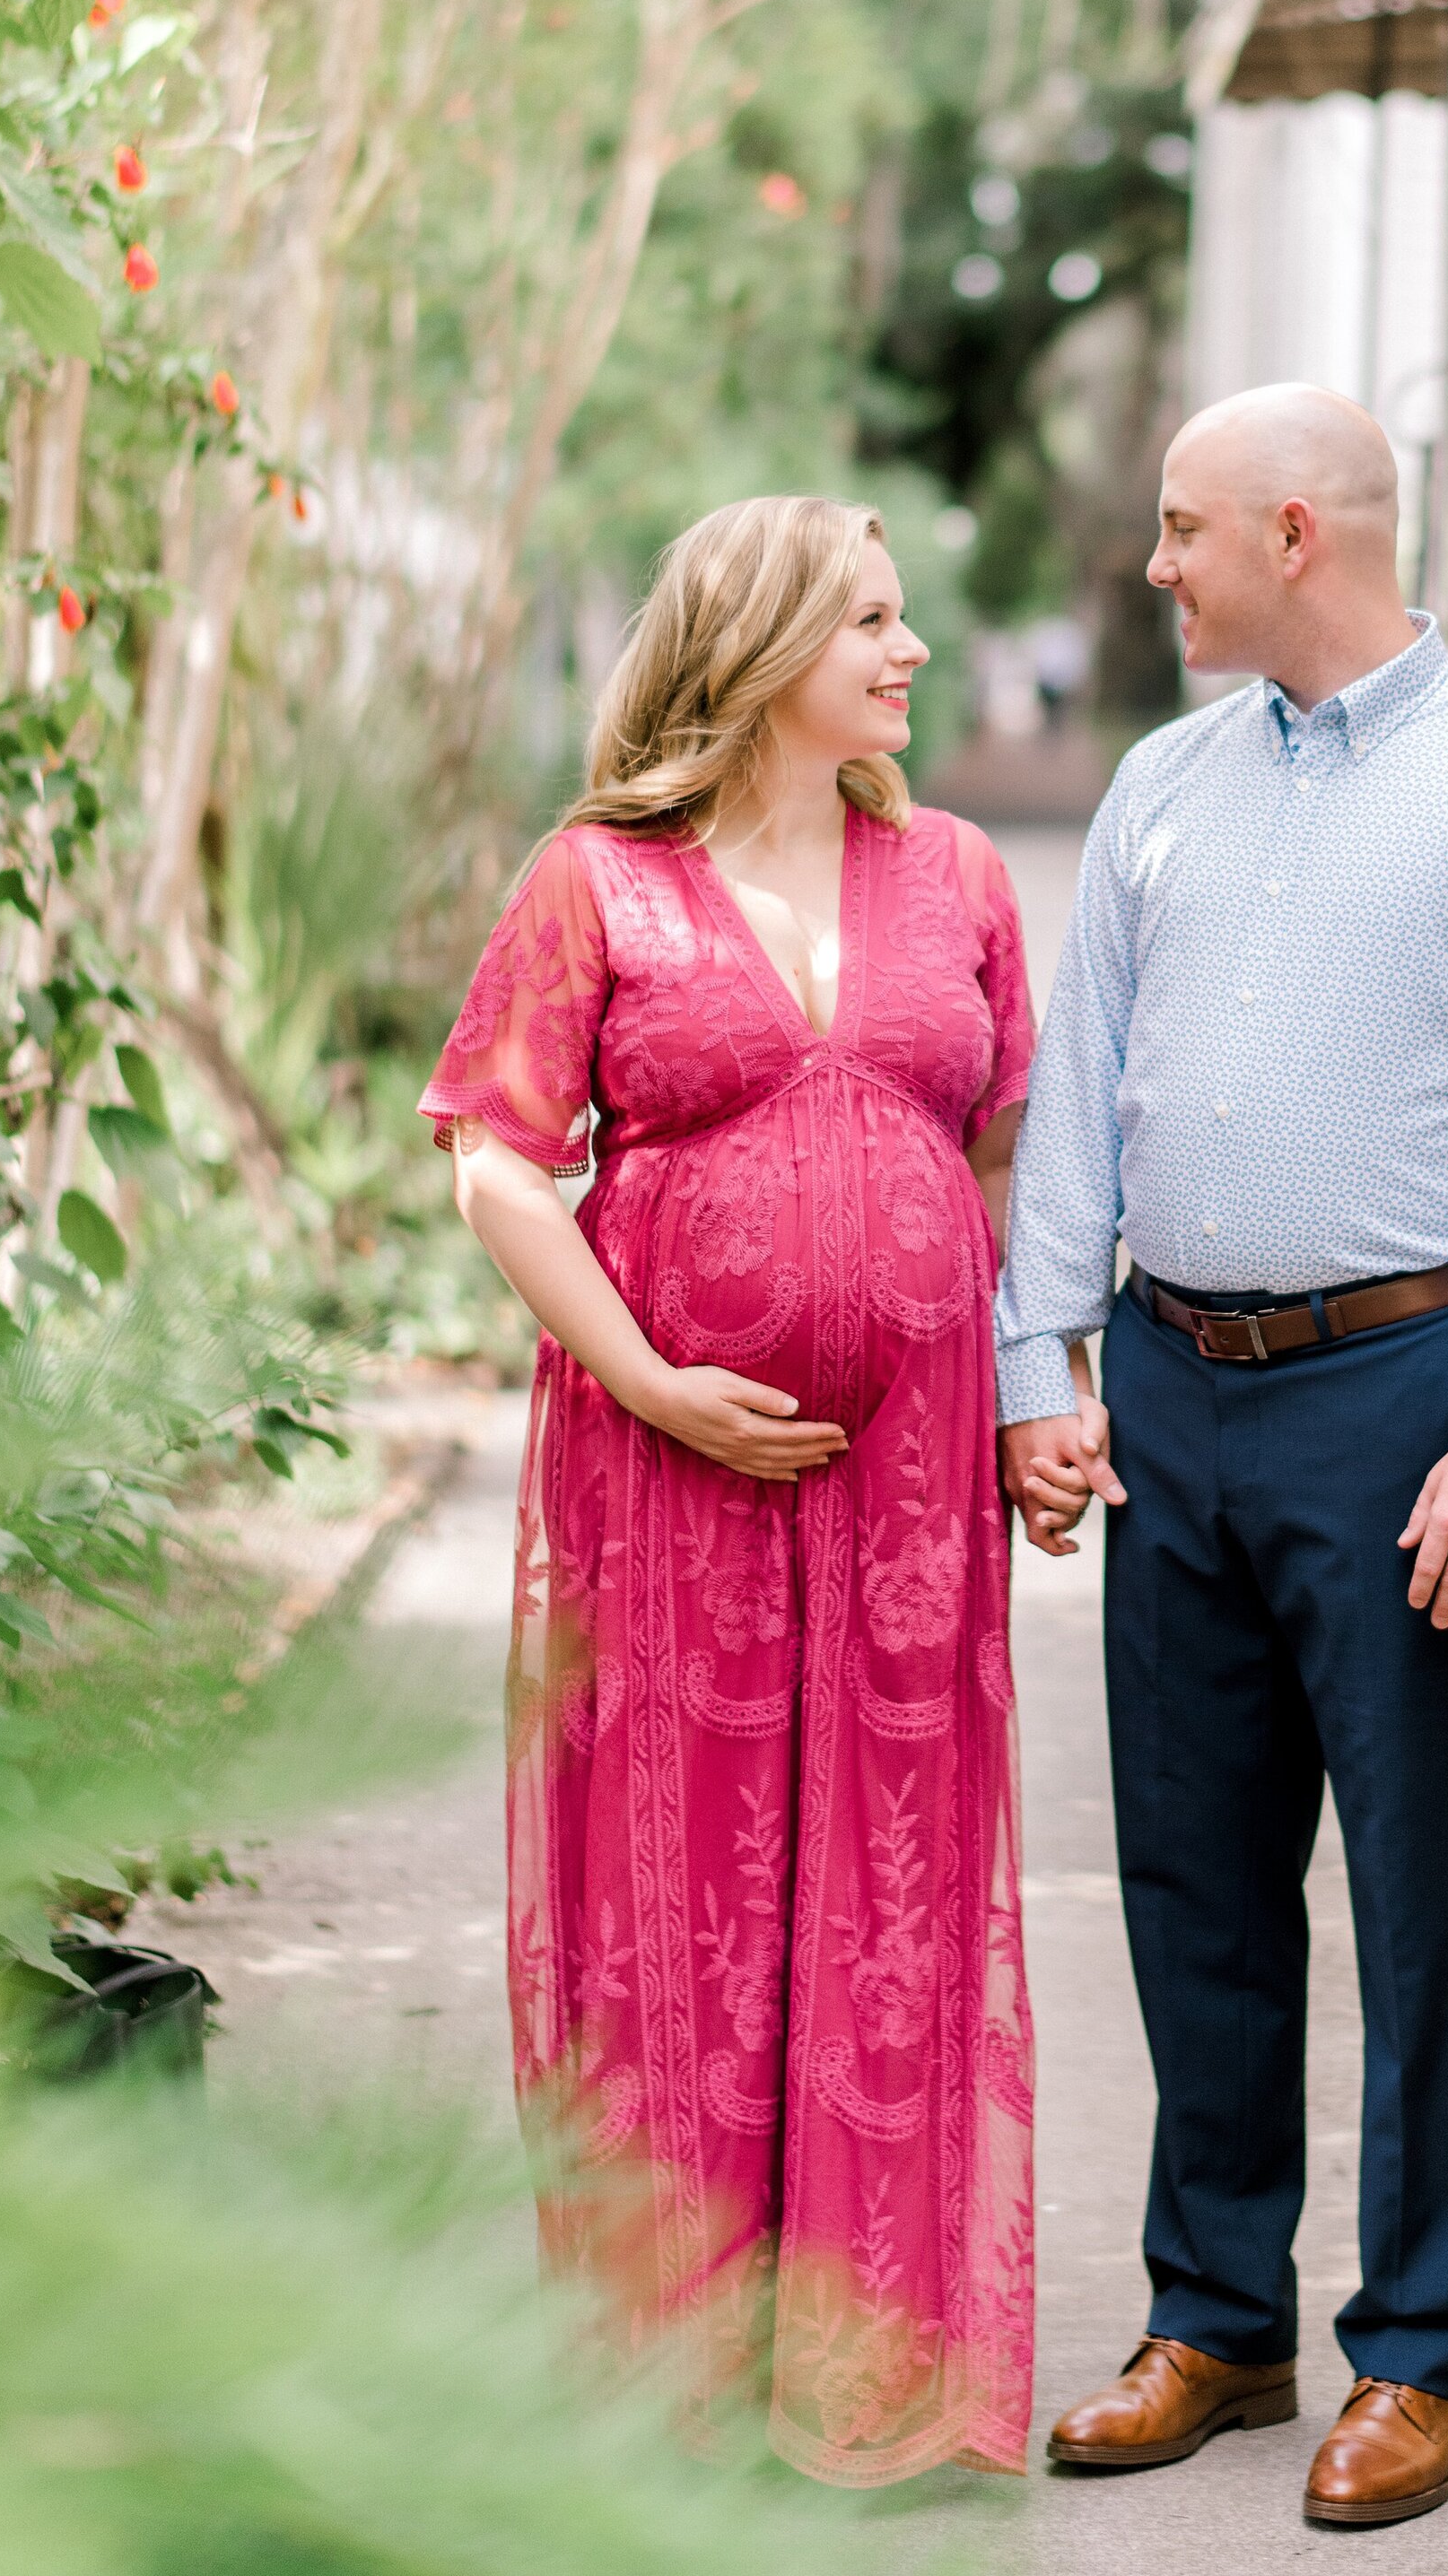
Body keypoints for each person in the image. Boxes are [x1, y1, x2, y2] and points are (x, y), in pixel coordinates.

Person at [995, 386, 1448, 2528]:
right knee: (1192, 1879)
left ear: (1296, 531)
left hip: (1410, 1402)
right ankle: (1218, 2319)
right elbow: (1082, 1091)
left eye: (1184, 531)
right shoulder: (1161, 785)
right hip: (1174, 1397)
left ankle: (1424, 2349)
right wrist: (1043, 1356)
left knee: (1427, 1897)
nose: (1157, 565)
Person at [425, 495, 1041, 2485]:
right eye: (872, 617)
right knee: (678, 1890)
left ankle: (864, 2359)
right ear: (767, 643)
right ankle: (674, 2369)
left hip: (907, 1496)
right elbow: (504, 1160)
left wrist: (1036, 1391)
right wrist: (653, 1379)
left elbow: (1006, 1155)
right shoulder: (599, 879)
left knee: (889, 1890)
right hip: (661, 1464)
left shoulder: (954, 875)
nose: (911, 650)